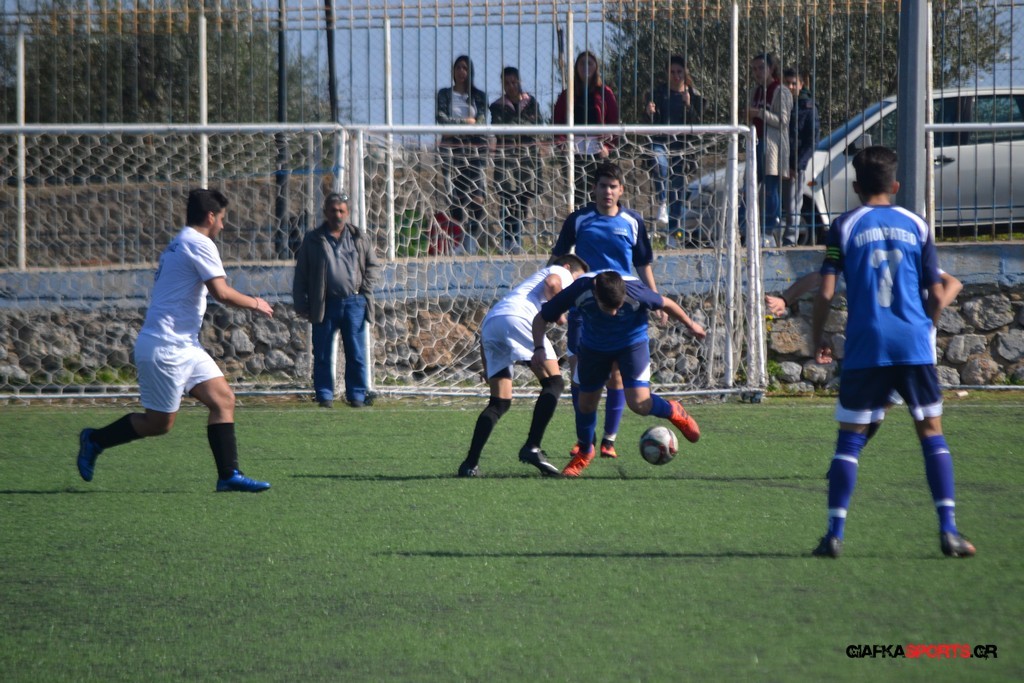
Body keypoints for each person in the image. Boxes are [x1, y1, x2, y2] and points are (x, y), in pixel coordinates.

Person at [809, 145, 975, 559]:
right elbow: (937, 291)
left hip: (868, 343)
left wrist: (817, 336)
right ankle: (949, 531)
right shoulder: (917, 225)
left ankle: (834, 535)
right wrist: (923, 325)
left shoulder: (844, 226)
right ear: (896, 185)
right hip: (914, 343)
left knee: (850, 441)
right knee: (931, 433)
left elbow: (826, 292)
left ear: (854, 187)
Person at [75, 189, 273, 493]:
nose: (223, 225)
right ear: (210, 217)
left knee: (223, 400)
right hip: (165, 346)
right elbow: (221, 292)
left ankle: (229, 475)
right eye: (222, 219)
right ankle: (95, 439)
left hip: (185, 345)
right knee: (159, 424)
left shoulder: (180, 241)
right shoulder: (199, 243)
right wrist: (255, 302)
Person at [532, 270, 706, 477]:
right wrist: (538, 348)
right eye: (608, 308)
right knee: (585, 404)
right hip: (594, 348)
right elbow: (540, 318)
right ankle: (585, 452)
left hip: (631, 345)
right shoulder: (580, 290)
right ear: (596, 294)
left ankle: (673, 410)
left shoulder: (635, 290)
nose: (614, 313)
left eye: (618, 306)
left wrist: (691, 324)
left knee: (640, 404)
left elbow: (666, 303)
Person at [551, 161, 667, 463]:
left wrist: (655, 300)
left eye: (613, 186)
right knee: (579, 373)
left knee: (616, 373)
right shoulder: (579, 219)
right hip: (585, 305)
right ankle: (585, 440)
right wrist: (553, 296)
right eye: (602, 185)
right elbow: (558, 259)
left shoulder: (632, 221)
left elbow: (642, 264)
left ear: (621, 190)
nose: (607, 191)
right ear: (594, 188)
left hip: (621, 305)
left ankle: (609, 440)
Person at [457, 253, 590, 478]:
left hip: (492, 323)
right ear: (568, 267)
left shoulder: (528, 286)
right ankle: (532, 447)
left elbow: (485, 336)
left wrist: (487, 369)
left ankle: (469, 464)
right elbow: (553, 283)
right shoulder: (560, 271)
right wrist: (559, 313)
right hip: (518, 319)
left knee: (499, 403)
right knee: (555, 383)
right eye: (577, 279)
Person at [293, 193, 381, 409]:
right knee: (322, 353)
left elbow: (373, 266)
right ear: (326, 212)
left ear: (347, 213)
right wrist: (301, 303)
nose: (337, 215)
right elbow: (301, 273)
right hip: (324, 304)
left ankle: (357, 396)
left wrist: (365, 289)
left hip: (354, 303)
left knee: (356, 353)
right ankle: (325, 396)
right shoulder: (313, 239)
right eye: (333, 211)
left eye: (341, 211)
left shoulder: (359, 237)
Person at [645, 54, 704, 242]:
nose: (676, 76)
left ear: (685, 72)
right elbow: (649, 123)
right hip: (661, 141)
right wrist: (649, 113)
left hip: (682, 147)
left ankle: (674, 233)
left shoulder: (694, 95)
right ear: (666, 73)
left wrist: (689, 105)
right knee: (658, 162)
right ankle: (662, 201)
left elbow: (698, 123)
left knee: (677, 191)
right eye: (672, 72)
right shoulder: (658, 93)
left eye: (679, 72)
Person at [553, 51, 619, 209]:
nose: (586, 67)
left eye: (590, 63)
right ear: (576, 67)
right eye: (582, 63)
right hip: (573, 149)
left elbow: (614, 122)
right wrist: (562, 143)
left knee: (598, 192)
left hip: (598, 149)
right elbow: (557, 122)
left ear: (596, 67)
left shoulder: (605, 93)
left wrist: (608, 147)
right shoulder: (567, 94)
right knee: (577, 193)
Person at [436, 55, 489, 253]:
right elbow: (441, 119)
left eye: (465, 68)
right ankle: (456, 241)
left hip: (475, 150)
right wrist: (466, 123)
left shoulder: (479, 96)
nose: (461, 71)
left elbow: (481, 122)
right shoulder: (444, 94)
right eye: (458, 67)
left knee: (477, 196)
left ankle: (471, 238)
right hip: (452, 150)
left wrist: (456, 128)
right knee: (456, 196)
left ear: (470, 71)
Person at [489, 66, 542, 254]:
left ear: (519, 82)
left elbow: (537, 124)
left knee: (524, 197)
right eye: (507, 83)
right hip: (507, 157)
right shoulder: (497, 106)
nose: (511, 86)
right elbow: (499, 128)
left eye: (514, 82)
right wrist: (521, 128)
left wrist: (514, 127)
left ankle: (517, 238)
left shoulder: (531, 102)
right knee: (507, 197)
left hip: (528, 157)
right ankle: (507, 239)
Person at [745, 53, 791, 247]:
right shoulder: (754, 91)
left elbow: (783, 121)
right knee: (749, 188)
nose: (757, 72)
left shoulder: (781, 91)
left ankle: (770, 231)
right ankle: (747, 230)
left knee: (771, 190)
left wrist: (760, 113)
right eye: (754, 69)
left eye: (761, 68)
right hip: (755, 143)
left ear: (771, 69)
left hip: (772, 146)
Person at [782, 68, 820, 246]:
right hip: (777, 160)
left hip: (794, 162)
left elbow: (812, 140)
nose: (790, 87)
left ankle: (790, 239)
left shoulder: (808, 107)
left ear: (801, 85)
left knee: (793, 204)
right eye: (787, 83)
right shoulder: (780, 102)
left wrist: (798, 165)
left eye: (793, 83)